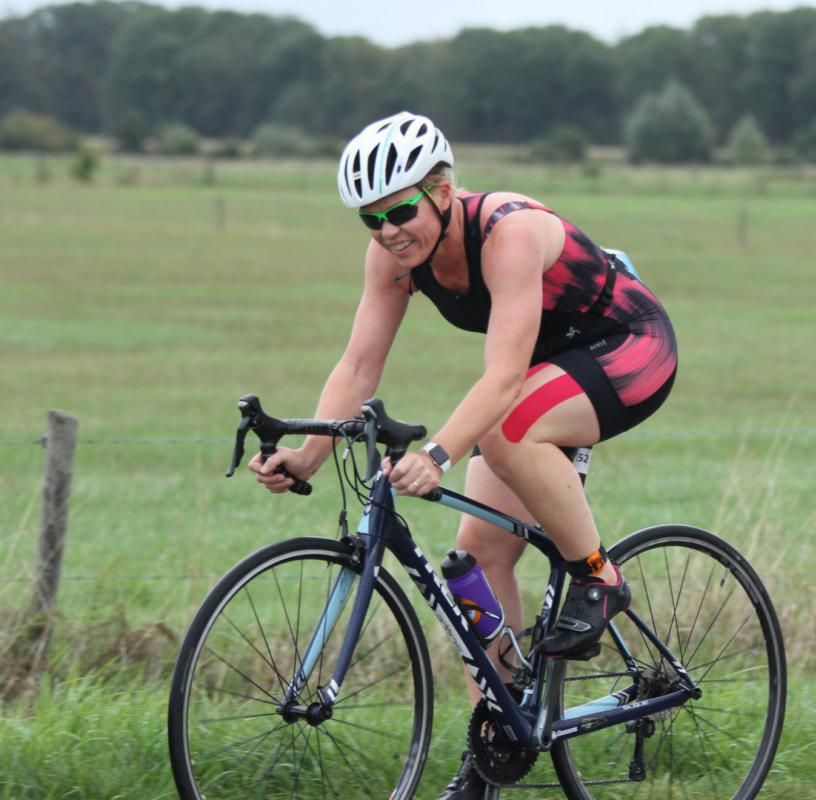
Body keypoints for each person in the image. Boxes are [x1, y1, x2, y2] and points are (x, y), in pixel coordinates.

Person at [248, 111, 677, 799]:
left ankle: (600, 577)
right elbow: (359, 365)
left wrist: (440, 455)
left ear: (443, 190)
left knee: (507, 432)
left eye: (401, 209)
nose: (389, 230)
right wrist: (308, 455)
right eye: (370, 218)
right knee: (476, 557)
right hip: (545, 367)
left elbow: (503, 381)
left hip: (627, 345)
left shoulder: (507, 232)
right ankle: (497, 742)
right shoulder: (394, 257)